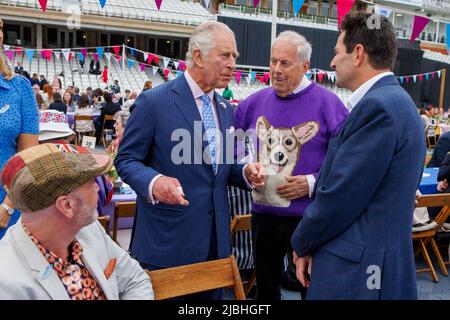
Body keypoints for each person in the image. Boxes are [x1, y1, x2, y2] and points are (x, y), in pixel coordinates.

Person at [114, 21, 264, 300]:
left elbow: (221, 166)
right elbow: (126, 159)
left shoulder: (224, 108)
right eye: (225, 55)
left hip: (216, 246)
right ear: (198, 56)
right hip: (167, 246)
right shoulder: (153, 102)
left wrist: (245, 172)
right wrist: (154, 182)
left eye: (235, 57)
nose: (233, 64)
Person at [290, 13, 425, 300]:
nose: (332, 62)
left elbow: (341, 194)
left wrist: (302, 242)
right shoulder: (400, 103)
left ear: (358, 54)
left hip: (356, 273)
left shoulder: (377, 108)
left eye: (337, 52)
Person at [234, 31, 348, 300]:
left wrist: (311, 183)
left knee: (312, 288)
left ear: (305, 66)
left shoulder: (330, 104)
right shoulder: (254, 102)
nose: (275, 70)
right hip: (265, 218)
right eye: (273, 62)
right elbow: (232, 142)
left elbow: (347, 162)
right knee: (266, 290)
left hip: (310, 219)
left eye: (284, 63)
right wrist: (245, 167)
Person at [0, 144, 154, 300]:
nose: (98, 188)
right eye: (93, 180)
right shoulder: (7, 282)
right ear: (67, 205)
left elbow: (136, 280)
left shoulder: (89, 229)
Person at [0, 17, 39, 239]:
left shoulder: (20, 88)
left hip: (6, 212)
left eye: (0, 27)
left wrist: (7, 207)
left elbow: (28, 158)